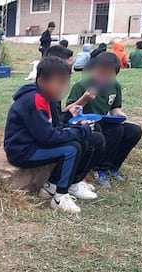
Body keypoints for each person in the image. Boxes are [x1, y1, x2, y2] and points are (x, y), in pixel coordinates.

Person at [4, 56, 94, 214]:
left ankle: (51, 186)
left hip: (35, 144)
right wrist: (79, 131)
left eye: (64, 83)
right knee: (72, 149)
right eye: (58, 83)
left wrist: (73, 122)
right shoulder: (34, 100)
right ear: (41, 81)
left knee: (80, 142)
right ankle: (60, 197)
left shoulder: (46, 98)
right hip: (23, 151)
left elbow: (52, 127)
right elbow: (47, 136)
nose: (62, 87)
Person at [66, 52, 142, 188]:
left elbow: (115, 108)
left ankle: (113, 167)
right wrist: (85, 99)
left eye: (109, 75)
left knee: (134, 131)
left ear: (116, 75)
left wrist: (119, 114)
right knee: (115, 130)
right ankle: (100, 169)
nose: (104, 78)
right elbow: (69, 110)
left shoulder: (115, 87)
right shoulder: (82, 85)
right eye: (101, 73)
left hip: (105, 121)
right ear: (94, 70)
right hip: (86, 123)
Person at [43, 45, 105, 200]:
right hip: (42, 141)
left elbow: (57, 119)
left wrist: (71, 114)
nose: (71, 71)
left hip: (53, 133)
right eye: (68, 67)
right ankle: (63, 184)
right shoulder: (41, 96)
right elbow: (48, 130)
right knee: (86, 140)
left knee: (94, 129)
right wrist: (76, 130)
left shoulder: (54, 92)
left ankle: (75, 180)